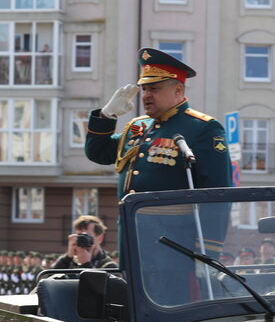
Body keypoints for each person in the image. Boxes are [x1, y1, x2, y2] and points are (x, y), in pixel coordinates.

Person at [84, 47, 233, 198]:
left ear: (178, 90)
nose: (146, 96)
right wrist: (106, 115)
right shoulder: (137, 126)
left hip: (177, 221)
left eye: (154, 89)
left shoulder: (203, 128)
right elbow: (98, 153)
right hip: (130, 221)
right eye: (144, 89)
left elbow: (219, 194)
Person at [52, 215, 117, 269]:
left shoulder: (109, 266)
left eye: (87, 235)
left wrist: (86, 264)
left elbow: (101, 284)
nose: (82, 239)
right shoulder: (70, 262)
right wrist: (68, 257)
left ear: (100, 238)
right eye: (79, 236)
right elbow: (48, 279)